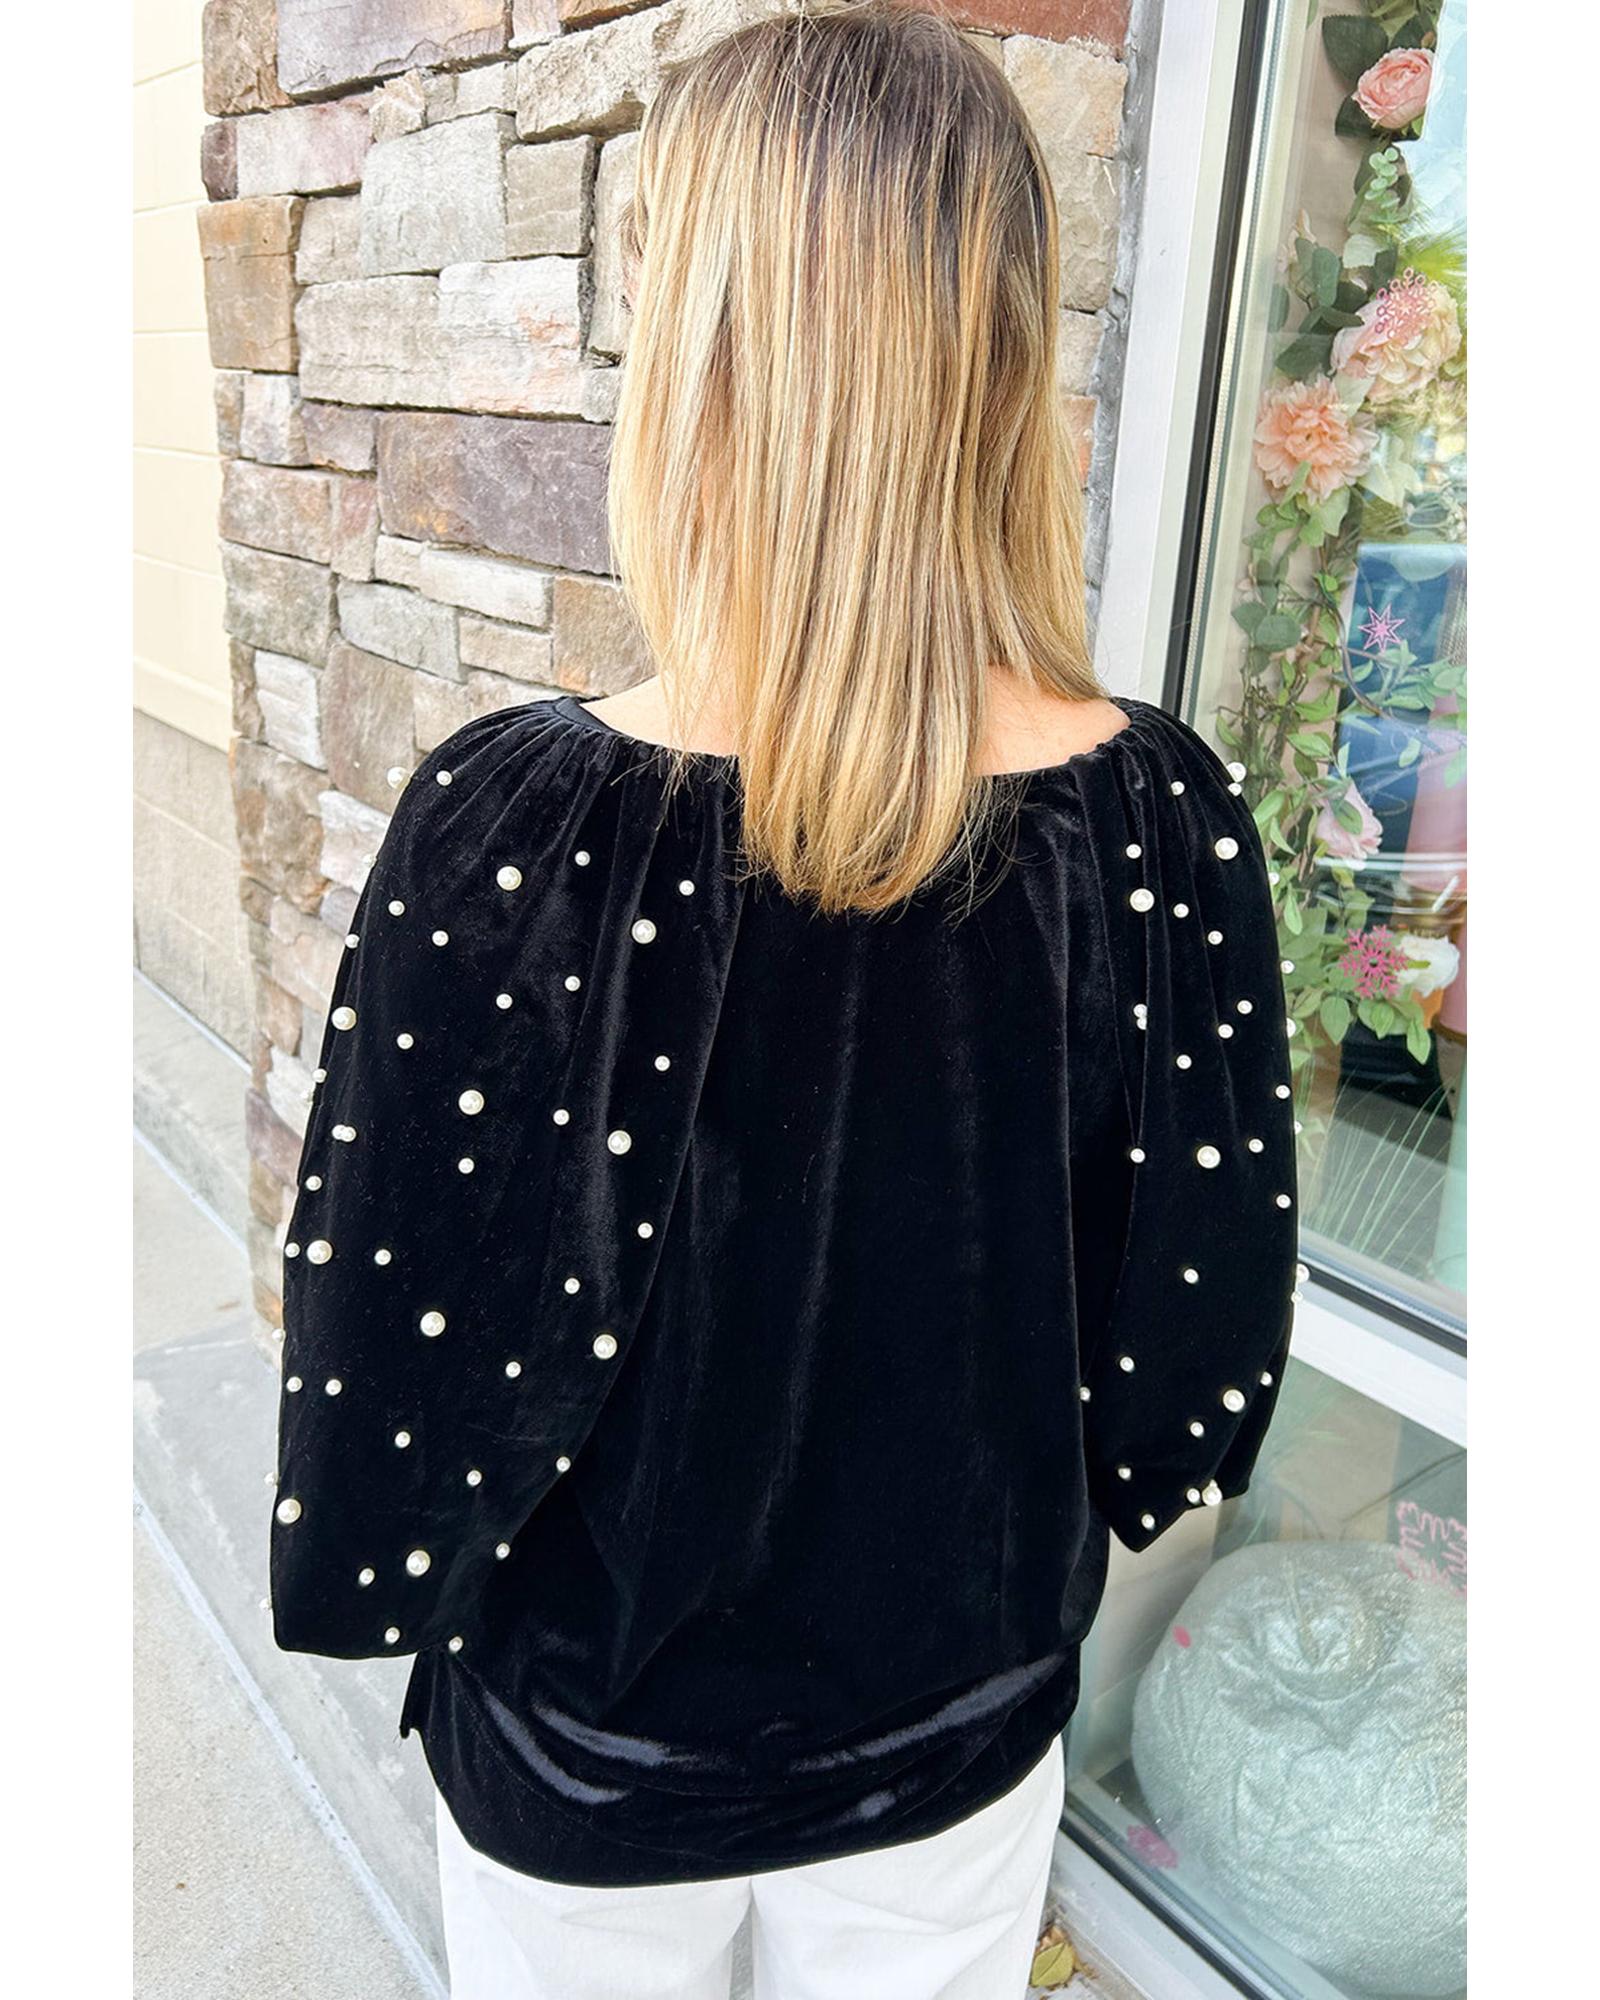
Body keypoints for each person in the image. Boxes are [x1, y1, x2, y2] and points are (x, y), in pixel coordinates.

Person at [268, 5, 1298, 1994]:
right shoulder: (1157, 816)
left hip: (586, 1739)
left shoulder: (514, 823)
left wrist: (387, 1571)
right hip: (954, 1721)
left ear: (698, 352)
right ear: (1004, 357)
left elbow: (394, 1323)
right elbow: (1194, 1318)